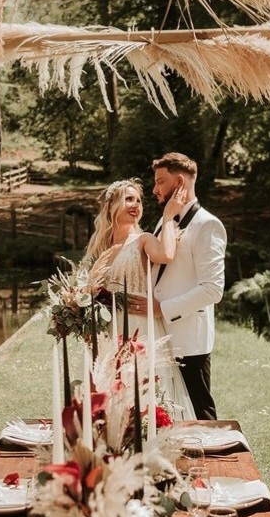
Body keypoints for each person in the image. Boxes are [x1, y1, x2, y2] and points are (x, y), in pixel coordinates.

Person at [83, 178, 195, 421]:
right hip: (109, 332)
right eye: (129, 199)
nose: (136, 204)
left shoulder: (143, 240)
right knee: (112, 396)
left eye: (139, 200)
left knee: (144, 390)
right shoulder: (103, 248)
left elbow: (166, 254)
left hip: (139, 328)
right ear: (112, 206)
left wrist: (168, 216)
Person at [128, 153, 226, 420]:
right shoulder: (165, 220)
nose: (154, 189)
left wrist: (163, 309)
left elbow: (213, 289)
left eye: (160, 181)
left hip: (188, 341)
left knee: (200, 413)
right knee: (168, 413)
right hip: (159, 334)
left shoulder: (208, 225)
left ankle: (214, 463)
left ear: (180, 181)